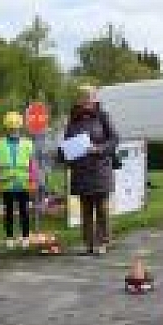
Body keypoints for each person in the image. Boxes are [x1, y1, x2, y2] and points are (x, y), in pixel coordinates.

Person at [61, 85, 118, 255]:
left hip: (100, 169)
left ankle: (103, 242)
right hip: (81, 170)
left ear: (95, 99)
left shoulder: (103, 116)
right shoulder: (73, 119)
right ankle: (89, 244)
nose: (86, 100)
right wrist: (65, 153)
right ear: (79, 99)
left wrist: (98, 148)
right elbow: (66, 143)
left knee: (101, 208)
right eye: (83, 97)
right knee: (85, 209)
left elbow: (115, 140)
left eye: (89, 96)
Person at [0, 111, 37, 249]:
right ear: (7, 128)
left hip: (23, 183)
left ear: (20, 128)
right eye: (11, 129)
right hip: (7, 184)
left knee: (24, 211)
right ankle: (9, 237)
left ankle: (25, 237)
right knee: (9, 212)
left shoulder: (28, 144)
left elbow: (32, 164)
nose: (14, 131)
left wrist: (33, 180)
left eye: (16, 128)